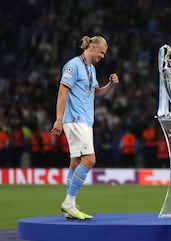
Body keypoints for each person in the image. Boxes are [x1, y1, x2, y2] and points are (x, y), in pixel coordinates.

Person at [51, 35, 119, 220]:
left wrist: (110, 85)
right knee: (89, 160)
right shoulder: (73, 65)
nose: (103, 56)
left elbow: (97, 93)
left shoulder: (91, 69)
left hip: (85, 121)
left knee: (76, 162)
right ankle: (68, 202)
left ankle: (70, 206)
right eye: (102, 52)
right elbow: (62, 91)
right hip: (75, 119)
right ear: (93, 47)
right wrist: (59, 119)